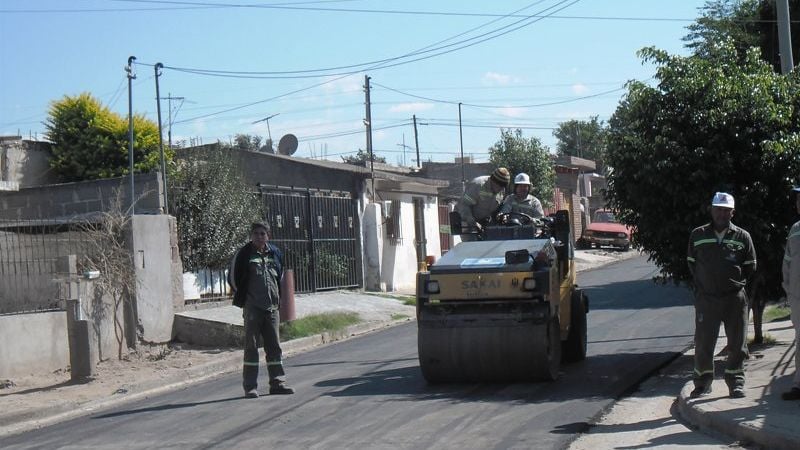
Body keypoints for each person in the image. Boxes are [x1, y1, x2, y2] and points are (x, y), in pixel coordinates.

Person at [686, 192, 757, 399]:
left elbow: (750, 266)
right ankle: (702, 384)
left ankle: (735, 383)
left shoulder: (742, 237)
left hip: (734, 299)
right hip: (706, 299)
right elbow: (691, 263)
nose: (722, 213)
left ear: (732, 213)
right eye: (718, 209)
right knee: (703, 343)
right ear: (711, 210)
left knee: (737, 344)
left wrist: (732, 283)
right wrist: (706, 284)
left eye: (726, 210)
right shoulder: (698, 235)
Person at [228, 222, 294, 398]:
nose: (259, 236)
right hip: (253, 309)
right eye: (256, 233)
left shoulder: (275, 253)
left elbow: (279, 275)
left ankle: (278, 383)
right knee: (251, 347)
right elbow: (233, 278)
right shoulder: (244, 254)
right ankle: (250, 386)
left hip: (272, 309)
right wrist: (245, 299)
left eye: (262, 233)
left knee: (274, 347)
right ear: (251, 235)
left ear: (268, 236)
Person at [455, 167, 510, 240]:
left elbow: (497, 207)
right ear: (493, 181)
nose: (500, 189)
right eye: (499, 186)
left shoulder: (501, 190)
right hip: (467, 222)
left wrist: (501, 215)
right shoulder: (478, 185)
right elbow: (464, 205)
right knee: (473, 246)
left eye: (503, 186)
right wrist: (473, 223)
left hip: (484, 224)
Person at [781, 187, 800, 401]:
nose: (798, 202)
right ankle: (798, 385)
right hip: (797, 296)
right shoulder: (795, 229)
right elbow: (787, 262)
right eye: (798, 199)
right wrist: (789, 289)